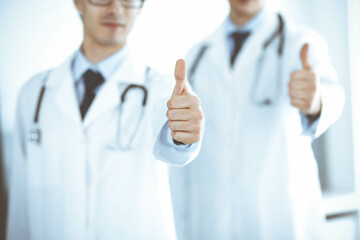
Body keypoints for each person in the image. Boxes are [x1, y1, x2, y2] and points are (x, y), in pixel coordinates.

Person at [6, 0, 204, 239]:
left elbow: (176, 146)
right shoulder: (33, 94)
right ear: (79, 3)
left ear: (140, 7)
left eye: (128, 1)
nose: (116, 9)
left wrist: (184, 136)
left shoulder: (161, 89)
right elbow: (19, 208)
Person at [169, 0, 345, 239]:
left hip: (279, 216)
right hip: (211, 220)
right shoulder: (198, 55)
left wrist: (316, 102)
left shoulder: (301, 43)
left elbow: (332, 96)